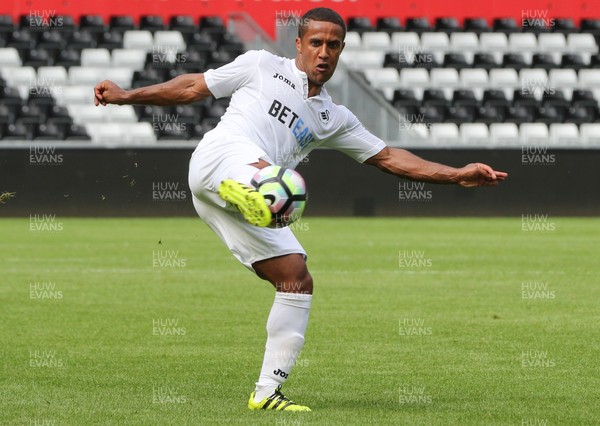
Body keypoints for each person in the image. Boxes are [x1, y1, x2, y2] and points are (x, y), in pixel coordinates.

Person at [94, 7, 507, 412]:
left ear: (342, 50)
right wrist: (127, 96)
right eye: (316, 43)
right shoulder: (259, 65)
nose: (324, 52)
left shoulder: (334, 117)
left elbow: (388, 157)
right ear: (299, 44)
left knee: (296, 277)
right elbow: (191, 88)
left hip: (229, 201)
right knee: (286, 187)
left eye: (333, 45)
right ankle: (251, 191)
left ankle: (266, 392)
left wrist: (457, 174)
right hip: (221, 158)